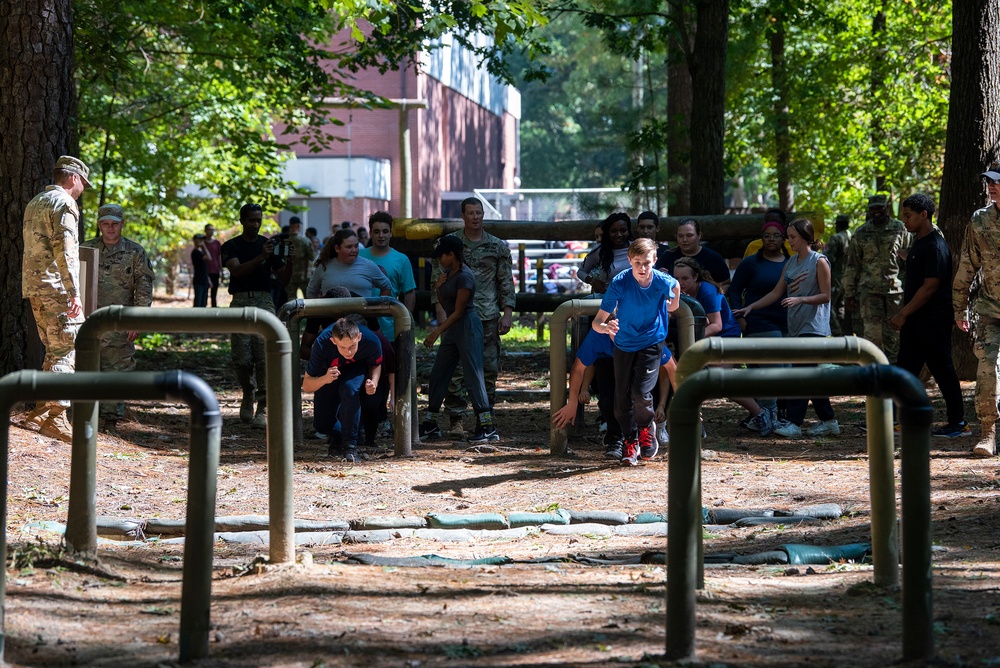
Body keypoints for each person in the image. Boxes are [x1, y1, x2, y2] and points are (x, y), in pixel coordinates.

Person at [734, 218, 837, 439]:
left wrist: (800, 299)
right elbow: (775, 292)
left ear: (805, 238)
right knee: (809, 376)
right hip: (796, 326)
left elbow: (826, 296)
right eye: (788, 237)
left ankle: (794, 422)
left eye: (792, 237)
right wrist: (750, 307)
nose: (788, 241)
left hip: (814, 327)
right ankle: (829, 420)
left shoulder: (819, 261)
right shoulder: (790, 263)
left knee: (800, 374)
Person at [430, 197, 516, 435]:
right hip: (456, 316)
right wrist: (440, 313)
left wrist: (507, 312)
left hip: (487, 316)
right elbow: (436, 280)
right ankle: (456, 418)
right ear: (463, 215)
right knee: (455, 371)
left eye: (479, 212)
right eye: (471, 213)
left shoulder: (497, 246)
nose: (475, 217)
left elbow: (505, 281)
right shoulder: (450, 245)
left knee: (487, 369)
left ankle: (485, 419)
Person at [21, 155, 92, 442]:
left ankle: (40, 409)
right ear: (73, 178)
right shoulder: (64, 203)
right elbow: (66, 250)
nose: (82, 190)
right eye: (83, 184)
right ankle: (56, 417)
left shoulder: (36, 201)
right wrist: (74, 292)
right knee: (68, 348)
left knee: (53, 348)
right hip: (57, 288)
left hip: (36, 286)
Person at [592, 238, 681, 465]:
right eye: (637, 262)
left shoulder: (662, 281)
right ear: (630, 260)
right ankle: (630, 441)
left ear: (655, 261)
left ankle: (645, 430)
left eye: (647, 263)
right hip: (623, 343)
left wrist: (672, 305)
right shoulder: (620, 283)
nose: (642, 268)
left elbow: (675, 291)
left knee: (641, 392)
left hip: (652, 340)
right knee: (621, 400)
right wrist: (606, 327)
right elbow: (597, 322)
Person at [890, 194, 967, 438]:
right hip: (917, 320)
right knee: (905, 369)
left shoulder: (935, 245)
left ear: (924, 215)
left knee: (942, 368)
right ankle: (897, 420)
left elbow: (930, 286)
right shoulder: (919, 242)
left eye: (908, 215)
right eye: (904, 215)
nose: (904, 220)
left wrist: (903, 313)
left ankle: (959, 422)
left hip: (932, 319)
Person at [674, 257, 775, 436]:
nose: (681, 283)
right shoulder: (680, 293)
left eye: (685, 279)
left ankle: (761, 413)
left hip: (725, 337)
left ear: (696, 277)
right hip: (703, 339)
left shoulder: (707, 290)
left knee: (722, 382)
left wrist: (689, 341)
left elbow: (716, 325)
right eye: (677, 279)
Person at [79, 203, 155, 433]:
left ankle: (110, 421)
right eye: (105, 224)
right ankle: (85, 417)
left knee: (117, 370)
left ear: (122, 224)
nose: (110, 229)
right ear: (99, 225)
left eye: (114, 224)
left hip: (120, 321)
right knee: (87, 369)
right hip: (88, 320)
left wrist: (138, 318)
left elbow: (144, 286)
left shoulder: (135, 252)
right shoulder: (86, 249)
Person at [419, 235, 499, 444]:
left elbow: (458, 312)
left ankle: (486, 424)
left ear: (451, 255)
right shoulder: (448, 274)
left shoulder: (465, 276)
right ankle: (430, 423)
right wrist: (438, 287)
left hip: (468, 326)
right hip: (454, 329)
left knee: (473, 376)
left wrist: (436, 332)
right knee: (439, 373)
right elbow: (447, 307)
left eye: (441, 256)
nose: (438, 260)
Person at [221, 203, 292, 428]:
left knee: (264, 356)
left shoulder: (267, 246)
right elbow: (238, 271)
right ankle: (248, 391)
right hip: (240, 300)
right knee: (241, 358)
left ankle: (264, 406)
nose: (255, 224)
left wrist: (289, 259)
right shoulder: (231, 246)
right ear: (242, 220)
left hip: (264, 300)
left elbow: (284, 278)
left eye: (258, 220)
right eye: (251, 220)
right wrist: (262, 257)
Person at [551, 329, 676, 457]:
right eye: (614, 333)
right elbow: (579, 368)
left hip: (638, 356)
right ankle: (620, 437)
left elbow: (672, 368)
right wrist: (572, 402)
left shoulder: (644, 333)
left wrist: (685, 403)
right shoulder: (598, 336)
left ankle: (644, 428)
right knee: (612, 402)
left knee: (639, 394)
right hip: (609, 359)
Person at [954, 160, 1000, 457]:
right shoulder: (980, 220)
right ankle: (988, 433)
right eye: (990, 182)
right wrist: (959, 309)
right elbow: (966, 266)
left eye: (997, 181)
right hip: (990, 311)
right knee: (987, 370)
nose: (992, 186)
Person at [729, 218, 791, 426]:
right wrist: (739, 318)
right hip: (759, 321)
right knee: (773, 369)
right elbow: (735, 290)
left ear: (784, 239)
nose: (771, 239)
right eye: (766, 235)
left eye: (776, 235)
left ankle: (766, 415)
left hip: (786, 323)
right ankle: (767, 415)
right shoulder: (751, 263)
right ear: (761, 239)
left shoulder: (790, 262)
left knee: (784, 370)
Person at [842, 194, 911, 362]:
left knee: (895, 337)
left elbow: (911, 259)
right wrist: (849, 293)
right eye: (873, 209)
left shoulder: (900, 229)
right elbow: (852, 265)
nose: (877, 212)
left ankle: (895, 376)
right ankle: (875, 376)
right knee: (871, 337)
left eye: (880, 208)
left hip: (895, 292)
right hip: (869, 292)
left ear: (886, 208)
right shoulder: (861, 232)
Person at [303, 317, 382, 462]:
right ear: (333, 341)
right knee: (321, 424)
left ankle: (350, 446)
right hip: (328, 372)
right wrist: (325, 379)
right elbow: (307, 385)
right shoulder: (321, 344)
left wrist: (374, 382)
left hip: (356, 368)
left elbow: (375, 364)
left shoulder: (371, 341)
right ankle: (340, 437)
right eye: (342, 347)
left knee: (350, 389)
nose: (348, 352)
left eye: (352, 346)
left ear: (359, 337)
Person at [359, 211, 417, 338]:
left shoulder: (402, 260)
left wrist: (404, 320)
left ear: (391, 233)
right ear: (370, 233)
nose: (381, 235)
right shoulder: (359, 256)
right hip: (360, 327)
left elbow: (410, 292)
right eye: (376, 232)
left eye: (385, 231)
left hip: (391, 327)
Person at [307, 228, 391, 300]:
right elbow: (311, 292)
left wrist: (377, 308)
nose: (354, 250)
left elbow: (386, 287)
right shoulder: (324, 266)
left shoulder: (368, 265)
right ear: (337, 248)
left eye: (356, 246)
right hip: (332, 318)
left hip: (362, 317)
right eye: (349, 247)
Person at [656, 218, 731, 290]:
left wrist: (714, 298)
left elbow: (726, 283)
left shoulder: (713, 258)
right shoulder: (668, 257)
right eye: (681, 236)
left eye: (689, 235)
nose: (685, 240)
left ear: (699, 235)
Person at [579, 212, 634, 295]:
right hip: (607, 300)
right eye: (614, 231)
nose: (619, 234)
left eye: (623, 230)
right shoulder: (600, 250)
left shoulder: (637, 248)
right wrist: (592, 281)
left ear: (628, 231)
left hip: (633, 299)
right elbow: (581, 272)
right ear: (608, 232)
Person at [825, 214, 853, 336]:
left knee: (827, 305)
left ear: (838, 225)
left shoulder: (836, 238)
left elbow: (829, 259)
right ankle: (844, 333)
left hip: (835, 278)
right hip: (848, 278)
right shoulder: (852, 236)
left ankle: (837, 333)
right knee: (840, 306)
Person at [284, 216, 316, 300]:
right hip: (303, 276)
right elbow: (313, 257)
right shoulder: (305, 241)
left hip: (288, 276)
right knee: (308, 301)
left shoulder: (284, 241)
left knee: (291, 300)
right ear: (298, 226)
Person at [203, 224, 223, 307]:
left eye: (212, 229)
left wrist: (221, 269)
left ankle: (214, 308)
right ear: (205, 230)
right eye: (209, 229)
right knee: (204, 292)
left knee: (214, 292)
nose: (211, 231)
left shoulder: (217, 243)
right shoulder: (202, 243)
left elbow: (219, 257)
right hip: (205, 271)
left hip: (215, 270)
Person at [191, 233, 210, 308]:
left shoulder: (200, 252)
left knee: (204, 301)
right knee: (198, 301)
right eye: (199, 239)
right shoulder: (195, 252)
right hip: (198, 280)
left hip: (204, 279)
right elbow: (209, 258)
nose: (201, 241)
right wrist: (204, 246)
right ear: (195, 240)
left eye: (202, 239)